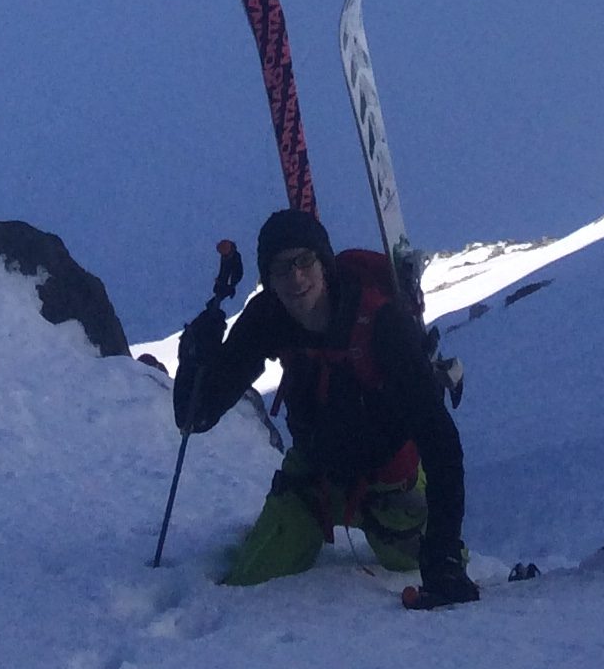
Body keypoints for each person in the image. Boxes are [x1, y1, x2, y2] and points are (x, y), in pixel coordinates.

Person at [173, 207, 477, 605]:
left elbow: (440, 442)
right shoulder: (267, 317)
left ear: (324, 262)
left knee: (418, 563)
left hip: (390, 479)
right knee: (248, 584)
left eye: (304, 261)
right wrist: (195, 360)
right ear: (267, 279)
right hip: (314, 478)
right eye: (281, 268)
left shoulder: (381, 322)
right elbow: (196, 416)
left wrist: (444, 551)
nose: (295, 277)